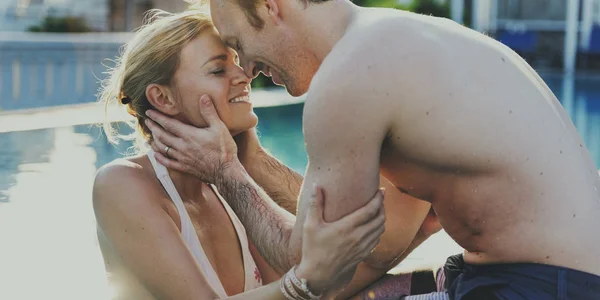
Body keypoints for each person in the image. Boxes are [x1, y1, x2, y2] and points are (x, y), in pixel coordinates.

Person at [145, 0, 600, 299]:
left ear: (270, 6)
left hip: (543, 288)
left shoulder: (350, 78)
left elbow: (315, 266)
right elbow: (372, 248)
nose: (249, 69)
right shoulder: (398, 42)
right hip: (543, 279)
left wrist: (226, 170)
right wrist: (254, 161)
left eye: (240, 45)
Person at [92, 10, 386, 300]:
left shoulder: (228, 185)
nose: (245, 75)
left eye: (236, 61)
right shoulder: (121, 184)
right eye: (219, 70)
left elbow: (311, 265)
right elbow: (302, 282)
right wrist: (305, 281)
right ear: (163, 98)